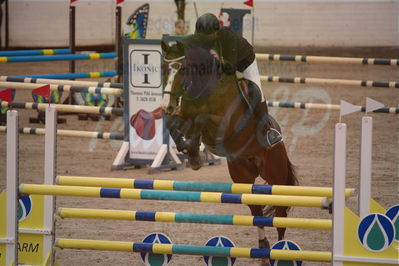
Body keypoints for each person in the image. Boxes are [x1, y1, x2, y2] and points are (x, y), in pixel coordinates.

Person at [180, 13, 282, 149]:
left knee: (257, 92)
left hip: (244, 63)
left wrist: (217, 59)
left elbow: (231, 67)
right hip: (220, 66)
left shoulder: (228, 38)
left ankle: (268, 130)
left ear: (216, 32)